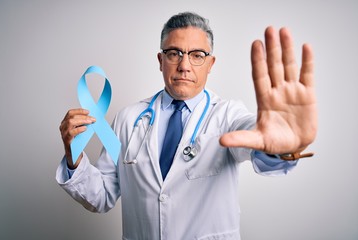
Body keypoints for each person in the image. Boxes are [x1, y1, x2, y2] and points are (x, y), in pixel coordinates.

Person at [56, 12, 317, 240]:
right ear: (160, 60)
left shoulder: (227, 115)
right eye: (174, 53)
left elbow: (256, 139)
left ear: (210, 64)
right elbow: (101, 196)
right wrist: (73, 155)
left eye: (197, 55)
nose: (184, 65)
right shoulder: (127, 119)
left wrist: (280, 148)